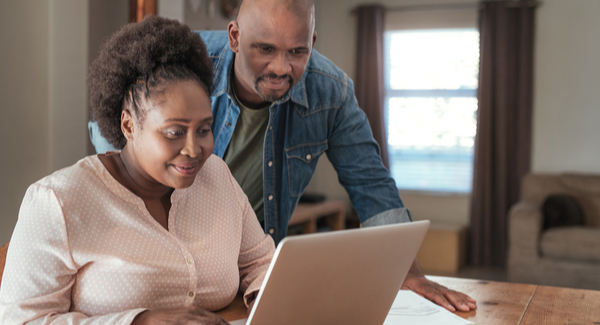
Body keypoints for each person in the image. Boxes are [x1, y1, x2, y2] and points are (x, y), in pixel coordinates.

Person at [90, 0, 477, 313]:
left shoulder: (332, 92)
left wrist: (406, 272)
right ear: (236, 36)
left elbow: (371, 184)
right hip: (169, 263)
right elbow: (117, 142)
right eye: (265, 49)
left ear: (312, 40)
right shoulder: (182, 66)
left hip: (254, 270)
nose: (281, 67)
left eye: (297, 51)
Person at [0, 16, 275, 325]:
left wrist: (270, 302)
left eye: (204, 130)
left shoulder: (217, 176)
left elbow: (261, 262)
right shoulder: (57, 201)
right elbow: (19, 320)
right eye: (174, 132)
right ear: (129, 124)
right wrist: (138, 321)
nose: (194, 150)